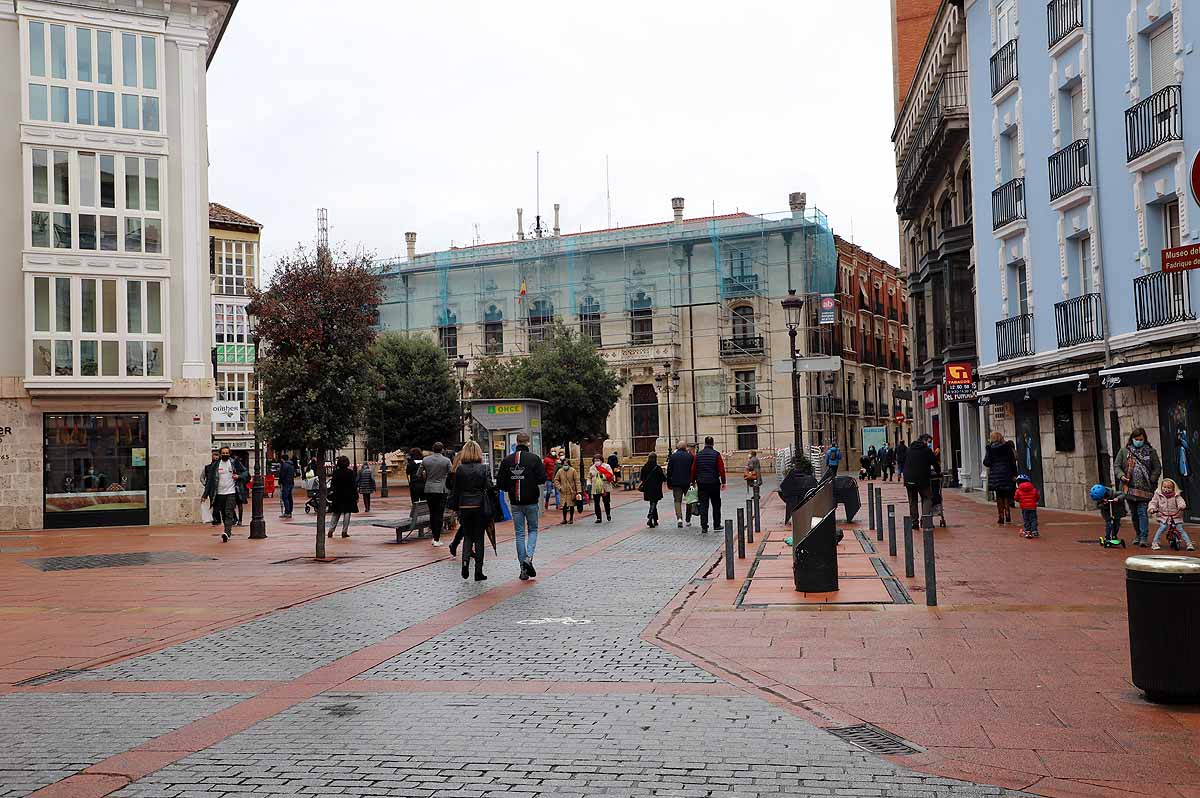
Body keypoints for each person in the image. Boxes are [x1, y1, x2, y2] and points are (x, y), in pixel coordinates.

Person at [497, 431, 547, 581]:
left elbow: (501, 483)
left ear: (516, 442)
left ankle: (522, 568)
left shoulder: (507, 460)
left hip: (515, 502)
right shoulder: (534, 459)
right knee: (532, 530)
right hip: (531, 500)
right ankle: (529, 558)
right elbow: (542, 479)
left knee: (519, 534)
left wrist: (511, 487)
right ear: (528, 443)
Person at [449, 440, 494, 581]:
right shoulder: (484, 468)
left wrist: (456, 507)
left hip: (464, 506)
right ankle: (478, 571)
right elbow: (489, 486)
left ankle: (465, 564)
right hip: (480, 506)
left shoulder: (460, 469)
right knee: (479, 538)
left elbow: (456, 490)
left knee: (468, 536)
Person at [1116, 427, 1162, 547]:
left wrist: (1152, 479)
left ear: (1144, 439)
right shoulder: (1124, 451)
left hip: (1145, 489)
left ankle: (1143, 537)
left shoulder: (1151, 452)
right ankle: (1137, 534)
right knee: (1134, 513)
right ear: (1132, 439)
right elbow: (1117, 466)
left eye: (1141, 439)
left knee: (1142, 512)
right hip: (1129, 488)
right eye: (1136, 439)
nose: (1138, 441)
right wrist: (1121, 476)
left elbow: (1157, 468)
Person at [202, 446, 247, 542]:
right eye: (223, 453)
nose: (225, 454)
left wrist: (238, 476)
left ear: (229, 453)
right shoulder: (215, 466)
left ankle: (227, 532)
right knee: (223, 513)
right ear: (220, 454)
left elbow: (246, 473)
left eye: (227, 453)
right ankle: (227, 530)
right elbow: (209, 481)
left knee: (229, 512)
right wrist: (205, 495)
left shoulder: (234, 462)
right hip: (219, 494)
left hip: (231, 492)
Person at [691, 436, 727, 534]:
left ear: (705, 443)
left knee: (703, 505)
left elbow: (693, 469)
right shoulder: (716, 455)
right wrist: (723, 482)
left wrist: (692, 481)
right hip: (714, 483)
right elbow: (721, 469)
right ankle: (716, 524)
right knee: (716, 504)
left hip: (702, 483)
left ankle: (704, 526)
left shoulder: (698, 455)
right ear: (713, 443)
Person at [419, 442, 453, 547]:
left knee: (432, 512)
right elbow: (451, 474)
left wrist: (427, 478)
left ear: (433, 449)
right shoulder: (446, 461)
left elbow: (418, 474)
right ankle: (436, 537)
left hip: (429, 488)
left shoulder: (426, 460)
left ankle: (434, 535)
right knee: (439, 513)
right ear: (442, 450)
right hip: (442, 489)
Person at [902, 435, 938, 530]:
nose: (929, 444)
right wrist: (938, 472)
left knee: (912, 500)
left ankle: (914, 522)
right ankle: (925, 520)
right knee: (927, 498)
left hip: (909, 479)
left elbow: (903, 461)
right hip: (922, 479)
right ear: (924, 441)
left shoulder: (909, 449)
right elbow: (935, 462)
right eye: (929, 441)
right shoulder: (926, 450)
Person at [983, 431, 1019, 525]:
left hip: (996, 475)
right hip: (1007, 473)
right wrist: (1015, 474)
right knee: (1006, 494)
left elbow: (986, 462)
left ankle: (1001, 516)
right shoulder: (1007, 447)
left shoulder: (990, 449)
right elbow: (1012, 462)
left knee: (999, 495)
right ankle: (1007, 513)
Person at [1150, 477, 1194, 551]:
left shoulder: (1176, 495)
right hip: (1164, 516)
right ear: (1161, 487)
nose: (1166, 489)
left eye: (1169, 487)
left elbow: (1181, 501)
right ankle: (1155, 542)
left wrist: (1181, 506)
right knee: (1163, 527)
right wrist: (1152, 508)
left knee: (1180, 529)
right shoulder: (1158, 495)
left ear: (1173, 488)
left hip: (1175, 516)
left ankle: (1189, 543)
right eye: (1164, 487)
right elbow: (1153, 502)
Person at [327, 455, 358, 539]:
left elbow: (332, 484)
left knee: (336, 513)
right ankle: (344, 531)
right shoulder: (350, 473)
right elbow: (353, 485)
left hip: (338, 495)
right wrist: (356, 496)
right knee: (347, 513)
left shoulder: (336, 473)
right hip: (348, 495)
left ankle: (331, 530)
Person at [666, 441, 695, 528]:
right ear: (685, 447)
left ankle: (679, 518)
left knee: (677, 501)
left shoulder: (673, 457)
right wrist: (693, 481)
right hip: (688, 482)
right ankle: (688, 520)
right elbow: (693, 469)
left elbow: (669, 471)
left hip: (676, 483)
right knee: (689, 500)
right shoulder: (690, 456)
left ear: (677, 447)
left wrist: (669, 483)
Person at [640, 452, 667, 528]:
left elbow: (642, 478)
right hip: (656, 488)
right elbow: (663, 478)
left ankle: (655, 520)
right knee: (654, 502)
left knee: (652, 502)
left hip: (647, 488)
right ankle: (650, 515)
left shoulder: (644, 467)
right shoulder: (657, 467)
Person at [554, 457, 581, 525]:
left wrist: (578, 490)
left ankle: (571, 519)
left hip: (571, 491)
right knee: (564, 506)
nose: (565, 466)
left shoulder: (573, 470)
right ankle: (564, 519)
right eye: (564, 464)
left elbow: (577, 481)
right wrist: (559, 487)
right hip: (563, 491)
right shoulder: (560, 471)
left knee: (571, 505)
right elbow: (556, 480)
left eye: (566, 464)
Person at [1014, 474, 1040, 538]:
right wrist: (1034, 501)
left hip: (1024, 507)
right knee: (1033, 519)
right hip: (1032, 507)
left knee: (1026, 519)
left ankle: (1028, 530)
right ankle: (1034, 531)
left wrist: (1019, 500)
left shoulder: (1018, 490)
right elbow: (1037, 496)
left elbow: (1016, 498)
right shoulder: (1033, 489)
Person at [588, 455, 613, 523]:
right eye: (595, 460)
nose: (596, 462)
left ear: (601, 460)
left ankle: (608, 514)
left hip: (605, 486)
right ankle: (598, 517)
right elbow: (589, 477)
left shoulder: (606, 466)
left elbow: (610, 475)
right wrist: (589, 484)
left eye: (598, 460)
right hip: (595, 487)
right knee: (596, 503)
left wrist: (602, 476)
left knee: (606, 502)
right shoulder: (592, 468)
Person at [202, 452, 223, 527]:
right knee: (214, 504)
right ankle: (216, 519)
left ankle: (218, 519)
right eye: (214, 457)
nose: (216, 459)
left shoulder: (221, 466)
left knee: (219, 504)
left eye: (217, 457)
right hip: (211, 488)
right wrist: (205, 484)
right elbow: (202, 478)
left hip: (219, 488)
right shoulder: (207, 467)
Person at [278, 454, 296, 519]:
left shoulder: (284, 465)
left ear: (282, 459)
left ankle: (287, 512)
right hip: (291, 482)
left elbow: (282, 475)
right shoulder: (291, 465)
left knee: (285, 497)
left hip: (286, 483)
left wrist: (280, 482)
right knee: (289, 497)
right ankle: (290, 511)